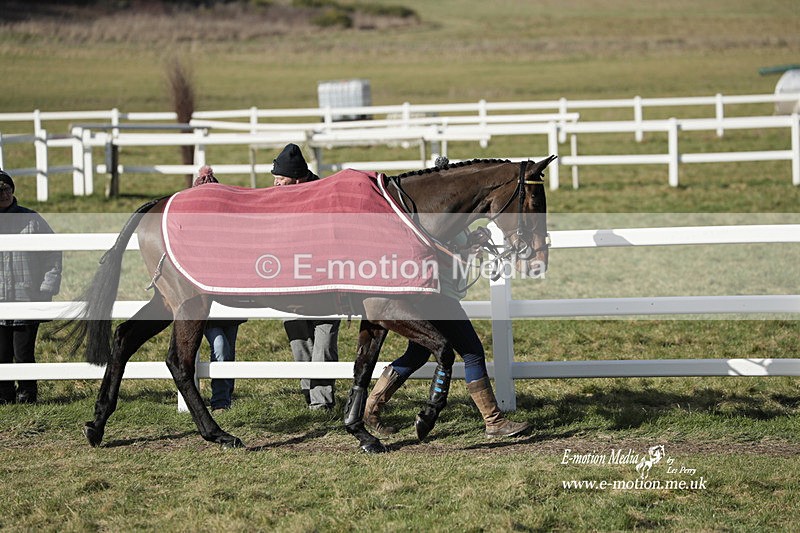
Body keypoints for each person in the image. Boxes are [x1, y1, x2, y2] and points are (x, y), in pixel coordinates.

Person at [364, 209, 529, 438]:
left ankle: (370, 409)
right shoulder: (440, 221)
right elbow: (440, 257)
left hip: (437, 297)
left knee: (417, 355)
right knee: (472, 352)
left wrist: (471, 242)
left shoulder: (455, 221)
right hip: (440, 299)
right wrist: (467, 252)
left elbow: (453, 250)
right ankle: (494, 421)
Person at [271, 144, 340, 410]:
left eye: (281, 179)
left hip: (323, 281)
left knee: (324, 340)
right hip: (289, 282)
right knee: (298, 338)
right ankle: (309, 394)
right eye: (274, 178)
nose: (276, 184)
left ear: (298, 179)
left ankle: (321, 403)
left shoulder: (325, 198)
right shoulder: (277, 197)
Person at [0, 170, 62, 404]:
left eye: (7, 188)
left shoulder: (32, 220)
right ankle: (3, 395)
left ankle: (27, 393)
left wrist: (47, 287)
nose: (4, 194)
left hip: (26, 298)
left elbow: (53, 253)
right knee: (1, 353)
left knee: (23, 351)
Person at [192, 165, 246, 412]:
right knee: (221, 347)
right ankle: (221, 400)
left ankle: (224, 396)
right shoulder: (193, 230)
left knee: (227, 348)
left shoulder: (230, 227)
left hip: (230, 300)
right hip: (209, 300)